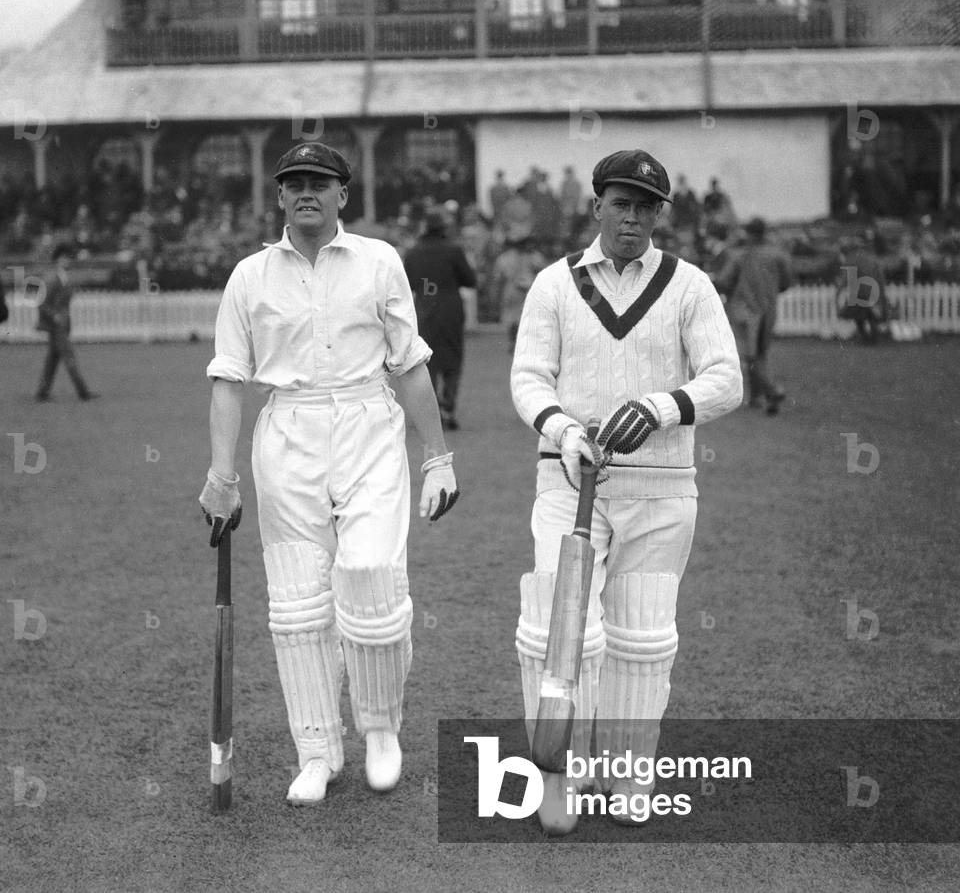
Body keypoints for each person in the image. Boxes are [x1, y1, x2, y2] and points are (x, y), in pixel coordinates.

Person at [199, 142, 460, 807]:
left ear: (344, 193)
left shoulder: (379, 262)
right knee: (298, 606)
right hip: (287, 433)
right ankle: (317, 750)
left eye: (320, 182)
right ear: (280, 195)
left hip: (369, 423)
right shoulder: (250, 276)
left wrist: (438, 455)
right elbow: (229, 380)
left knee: (371, 572)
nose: (306, 191)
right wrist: (222, 474)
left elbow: (409, 364)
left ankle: (380, 729)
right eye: (294, 183)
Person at [510, 148, 742, 834]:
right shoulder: (554, 284)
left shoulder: (689, 285)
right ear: (597, 206)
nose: (632, 216)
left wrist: (664, 406)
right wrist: (560, 426)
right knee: (558, 630)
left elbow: (726, 378)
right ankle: (558, 770)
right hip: (568, 477)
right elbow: (528, 376)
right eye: (621, 202)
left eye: (646, 206)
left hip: (663, 487)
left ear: (659, 214)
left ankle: (627, 774)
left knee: (642, 636)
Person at [403, 211, 477, 430]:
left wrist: (428, 287)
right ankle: (448, 407)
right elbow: (469, 280)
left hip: (425, 307)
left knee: (427, 362)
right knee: (452, 360)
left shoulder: (413, 252)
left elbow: (409, 283)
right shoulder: (453, 250)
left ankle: (430, 411)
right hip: (450, 307)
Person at [716, 217, 792, 412]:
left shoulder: (741, 255)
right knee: (760, 353)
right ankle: (756, 398)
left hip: (744, 310)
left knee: (749, 356)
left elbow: (724, 281)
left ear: (749, 233)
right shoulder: (779, 255)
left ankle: (772, 390)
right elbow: (786, 282)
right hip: (769, 309)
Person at [35, 244, 98, 402]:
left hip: (61, 324)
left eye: (68, 258)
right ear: (57, 260)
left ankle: (42, 392)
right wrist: (55, 316)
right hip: (57, 326)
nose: (67, 261)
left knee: (52, 360)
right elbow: (42, 302)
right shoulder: (52, 278)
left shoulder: (64, 277)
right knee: (69, 358)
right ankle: (83, 391)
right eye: (64, 258)